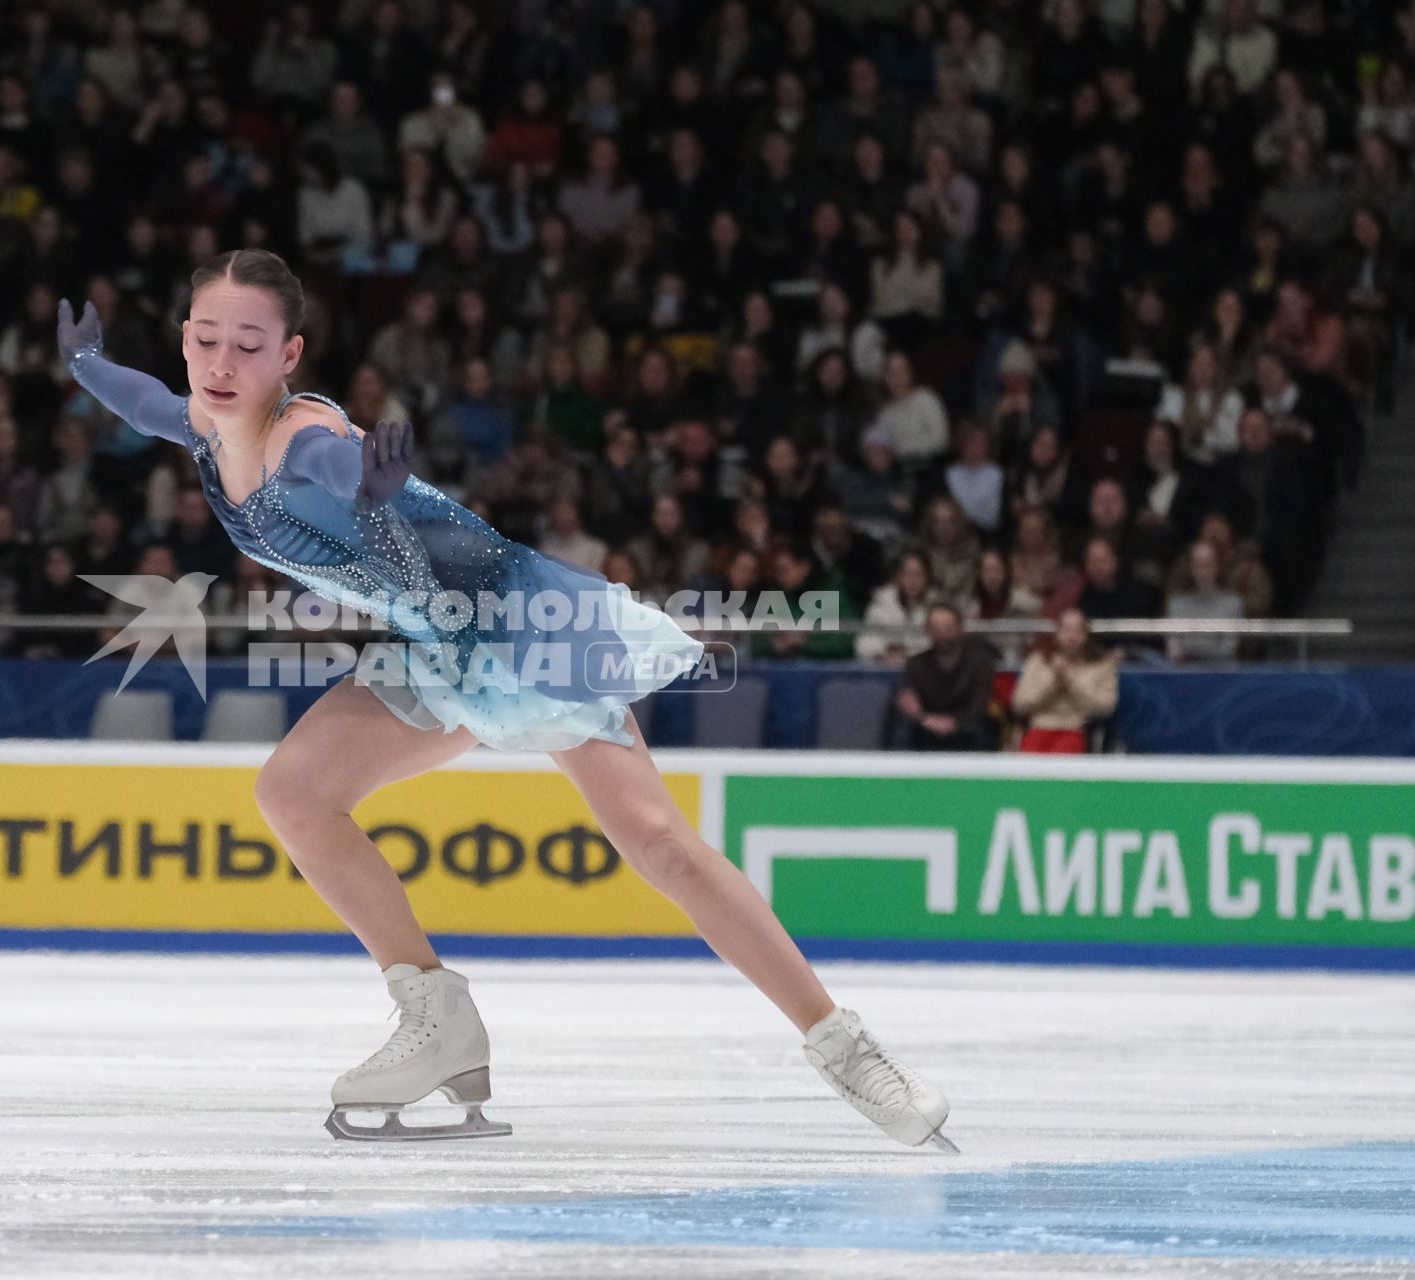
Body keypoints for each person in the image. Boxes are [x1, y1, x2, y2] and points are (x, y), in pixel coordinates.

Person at [58, 248, 955, 1152]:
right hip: (440, 637)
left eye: (246, 346)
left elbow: (346, 472)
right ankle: (436, 1018)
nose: (221, 364)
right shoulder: (209, 427)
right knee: (293, 791)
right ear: (183, 338)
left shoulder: (303, 441)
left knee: (658, 844)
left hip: (524, 619)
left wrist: (376, 486)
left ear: (288, 357)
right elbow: (148, 406)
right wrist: (88, 365)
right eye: (205, 339)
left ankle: (845, 1048)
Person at [889, 603, 998, 751]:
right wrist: (925, 718)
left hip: (966, 726)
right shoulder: (916, 663)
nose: (942, 634)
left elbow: (979, 706)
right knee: (902, 728)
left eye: (947, 628)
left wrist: (952, 722)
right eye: (936, 628)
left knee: (981, 729)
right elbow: (908, 698)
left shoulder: (980, 663)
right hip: (925, 725)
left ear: (960, 628)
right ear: (927, 629)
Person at [1009, 608, 1119, 753]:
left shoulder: (1102, 664)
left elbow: (1106, 706)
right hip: (1038, 728)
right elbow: (1019, 703)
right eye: (1066, 630)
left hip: (1077, 730)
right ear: (1056, 632)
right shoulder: (1037, 660)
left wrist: (1070, 679)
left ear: (1086, 633)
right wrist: (1052, 682)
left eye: (1078, 631)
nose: (1071, 637)